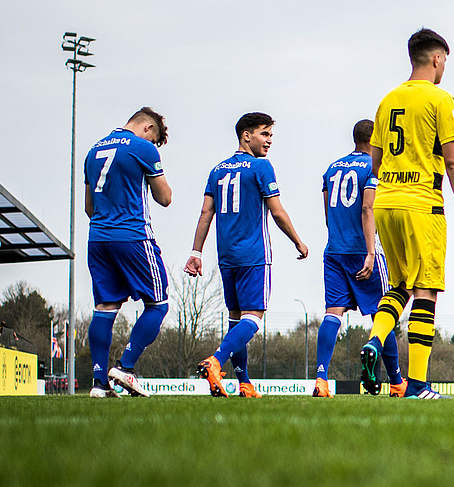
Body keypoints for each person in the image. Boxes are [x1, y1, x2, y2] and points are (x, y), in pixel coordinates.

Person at [360, 28, 454, 400]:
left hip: (386, 203)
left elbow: (374, 163)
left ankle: (375, 341)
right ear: (437, 58)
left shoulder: (387, 100)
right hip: (422, 205)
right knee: (426, 291)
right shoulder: (441, 99)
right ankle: (418, 385)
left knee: (398, 287)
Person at [186, 112, 309, 397]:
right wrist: (298, 241)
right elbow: (277, 211)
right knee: (253, 317)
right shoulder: (261, 167)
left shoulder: (217, 170)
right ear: (246, 135)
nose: (269, 141)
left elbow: (207, 212)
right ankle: (216, 360)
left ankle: (244, 383)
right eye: (264, 134)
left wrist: (196, 252)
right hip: (254, 254)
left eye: (270, 136)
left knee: (235, 318)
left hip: (226, 256)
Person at [312, 119, 404, 398]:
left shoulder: (331, 169)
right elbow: (367, 208)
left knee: (333, 314)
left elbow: (327, 211)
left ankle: (321, 378)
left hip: (334, 249)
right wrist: (370, 251)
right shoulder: (373, 169)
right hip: (363, 251)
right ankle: (398, 382)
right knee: (382, 314)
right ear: (375, 139)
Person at [84, 107, 172, 398]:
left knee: (105, 308)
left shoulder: (93, 151)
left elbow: (89, 207)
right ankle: (126, 367)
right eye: (156, 139)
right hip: (133, 236)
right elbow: (165, 198)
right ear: (148, 129)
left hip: (97, 238)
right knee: (158, 304)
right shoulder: (143, 148)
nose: (154, 145)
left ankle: (98, 384)